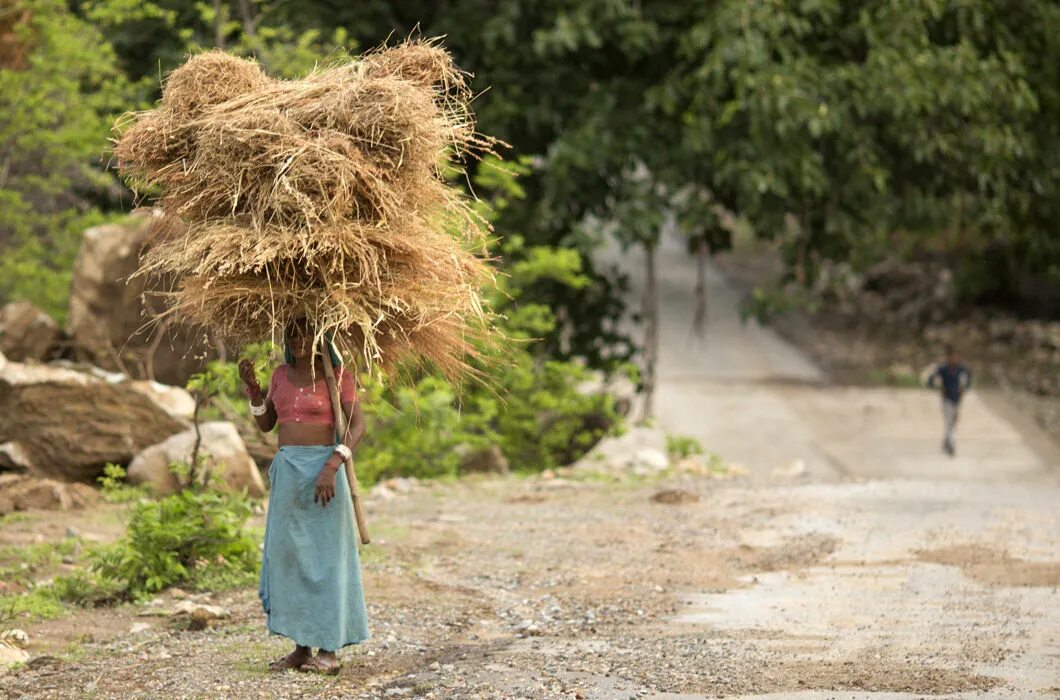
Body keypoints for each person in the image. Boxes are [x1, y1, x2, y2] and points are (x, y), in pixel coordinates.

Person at [238, 318, 369, 675]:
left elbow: (357, 426)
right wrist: (253, 391)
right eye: (293, 333)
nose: (299, 339)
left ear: (320, 338)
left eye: (306, 333)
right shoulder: (280, 375)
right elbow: (267, 425)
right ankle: (300, 647)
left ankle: (328, 650)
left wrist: (333, 464)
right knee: (291, 557)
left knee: (326, 560)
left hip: (325, 475)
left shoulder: (336, 373)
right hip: (288, 475)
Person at [925, 345, 972, 456]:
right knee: (949, 421)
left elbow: (968, 381)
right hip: (946, 399)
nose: (954, 360)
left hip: (957, 399)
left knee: (953, 421)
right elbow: (931, 380)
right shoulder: (943, 369)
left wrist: (964, 389)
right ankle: (951, 444)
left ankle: (946, 441)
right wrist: (938, 388)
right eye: (952, 357)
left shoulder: (961, 369)